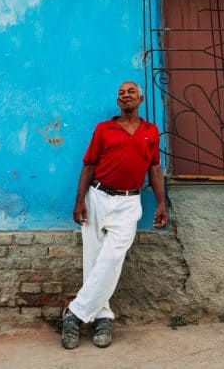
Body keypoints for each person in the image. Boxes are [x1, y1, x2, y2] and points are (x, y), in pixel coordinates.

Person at [62, 80, 168, 349]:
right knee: (94, 259)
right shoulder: (104, 129)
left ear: (141, 99)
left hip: (129, 201)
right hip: (97, 196)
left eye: (131, 91)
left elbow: (154, 168)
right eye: (121, 93)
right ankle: (103, 319)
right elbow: (88, 165)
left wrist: (160, 203)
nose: (126, 95)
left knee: (112, 257)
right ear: (118, 101)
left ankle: (73, 313)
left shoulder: (150, 132)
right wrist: (79, 202)